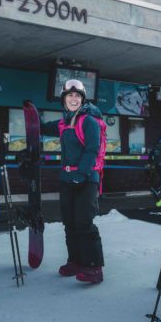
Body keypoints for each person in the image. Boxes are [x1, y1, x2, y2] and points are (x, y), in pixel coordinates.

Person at [41, 79, 104, 283]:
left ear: (83, 99)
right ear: (64, 99)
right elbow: (44, 128)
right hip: (67, 178)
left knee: (84, 222)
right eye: (70, 95)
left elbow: (92, 149)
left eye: (77, 96)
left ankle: (93, 267)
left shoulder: (89, 121)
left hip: (86, 178)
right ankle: (75, 260)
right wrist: (31, 117)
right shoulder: (64, 122)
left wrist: (81, 173)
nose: (73, 99)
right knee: (69, 222)